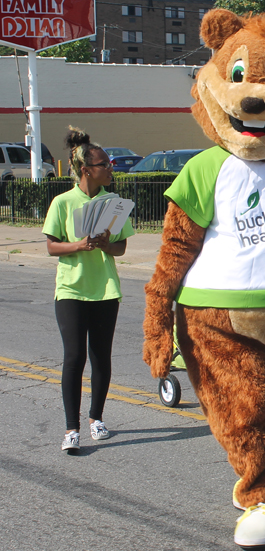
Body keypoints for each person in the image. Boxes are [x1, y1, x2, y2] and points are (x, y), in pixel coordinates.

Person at [43, 126, 134, 451]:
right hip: (71, 290)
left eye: (110, 164)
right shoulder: (63, 202)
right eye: (105, 164)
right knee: (74, 356)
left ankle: (97, 418)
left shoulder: (115, 203)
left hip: (105, 289)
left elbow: (121, 249)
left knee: (101, 356)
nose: (111, 168)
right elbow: (52, 248)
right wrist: (78, 245)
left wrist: (107, 245)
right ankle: (71, 429)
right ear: (86, 170)